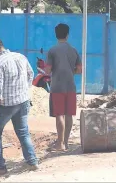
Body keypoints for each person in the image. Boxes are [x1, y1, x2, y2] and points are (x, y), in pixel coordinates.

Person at [0, 38, 38, 179]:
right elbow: (31, 74)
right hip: (23, 101)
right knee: (23, 132)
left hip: (6, 105)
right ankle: (32, 161)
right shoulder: (20, 56)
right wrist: (24, 90)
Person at [46, 23, 82, 151]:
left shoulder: (52, 50)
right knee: (69, 115)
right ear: (67, 35)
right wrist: (70, 70)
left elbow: (48, 70)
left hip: (57, 86)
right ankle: (66, 143)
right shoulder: (74, 50)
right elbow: (79, 70)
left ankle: (60, 144)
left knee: (59, 114)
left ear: (56, 35)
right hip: (71, 87)